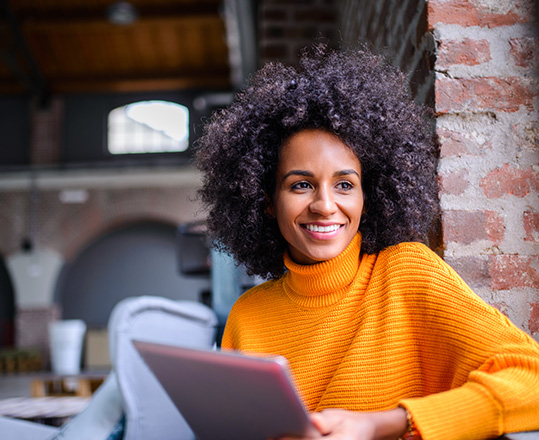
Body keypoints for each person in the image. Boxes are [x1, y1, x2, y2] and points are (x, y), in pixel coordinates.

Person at [194, 44, 539, 440]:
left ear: (366, 195)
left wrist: (385, 423)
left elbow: (531, 381)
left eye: (344, 184)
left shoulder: (406, 273)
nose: (325, 205)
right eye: (301, 185)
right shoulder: (247, 317)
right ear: (267, 201)